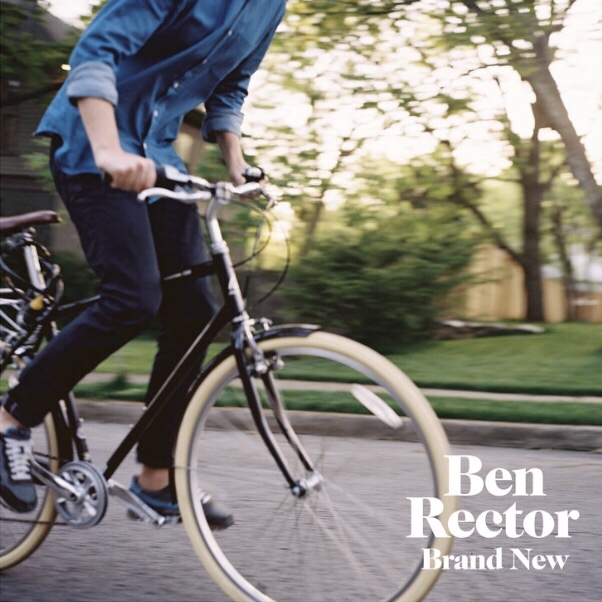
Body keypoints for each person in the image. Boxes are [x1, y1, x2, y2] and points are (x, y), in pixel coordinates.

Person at [0, 0, 286, 527]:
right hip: (93, 147)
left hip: (158, 161)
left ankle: (155, 477)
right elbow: (97, 50)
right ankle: (11, 418)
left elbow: (231, 87)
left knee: (195, 315)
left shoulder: (271, 7)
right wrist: (109, 149)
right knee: (133, 299)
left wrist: (238, 165)